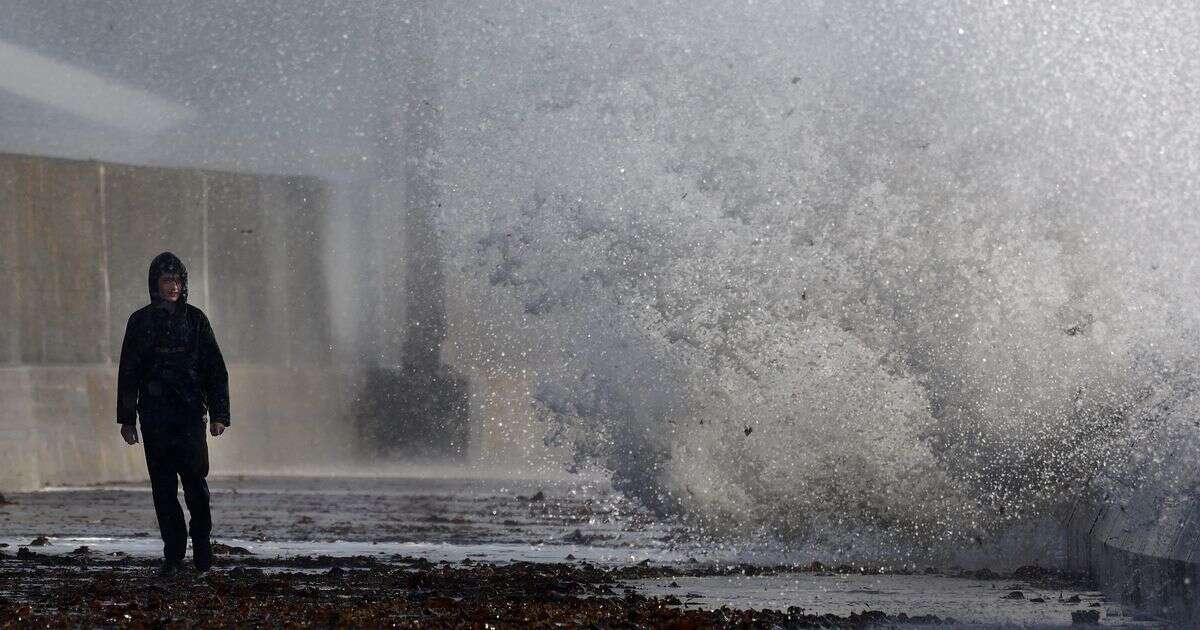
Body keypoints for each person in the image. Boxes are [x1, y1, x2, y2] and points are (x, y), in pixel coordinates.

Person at [116, 252, 230, 575]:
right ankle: (174, 552)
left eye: (178, 280)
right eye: (167, 280)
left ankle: (202, 547)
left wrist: (219, 414)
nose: (173, 287)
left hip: (191, 417)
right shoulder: (140, 323)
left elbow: (215, 370)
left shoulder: (196, 321)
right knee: (163, 489)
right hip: (154, 420)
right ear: (155, 284)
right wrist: (128, 419)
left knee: (195, 484)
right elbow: (129, 372)